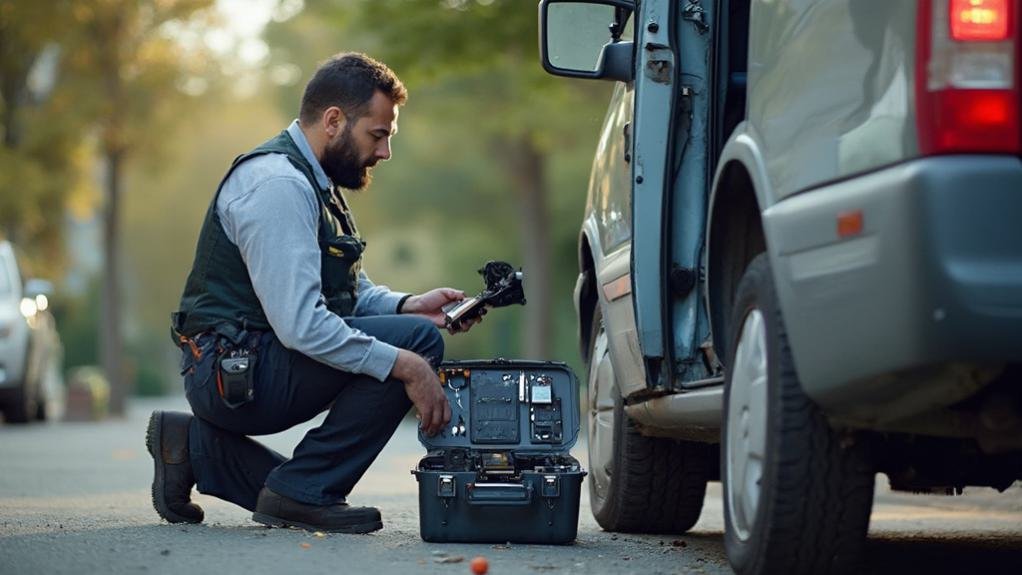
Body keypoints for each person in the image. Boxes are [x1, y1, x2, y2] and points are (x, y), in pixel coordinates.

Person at [146, 53, 474, 534]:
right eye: (378, 136)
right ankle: (303, 492)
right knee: (415, 348)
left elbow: (345, 292)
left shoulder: (313, 181)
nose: (384, 153)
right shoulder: (279, 185)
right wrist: (405, 363)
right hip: (232, 371)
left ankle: (196, 448)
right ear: (334, 121)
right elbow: (302, 325)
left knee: (413, 334)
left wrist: (409, 306)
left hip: (248, 359)